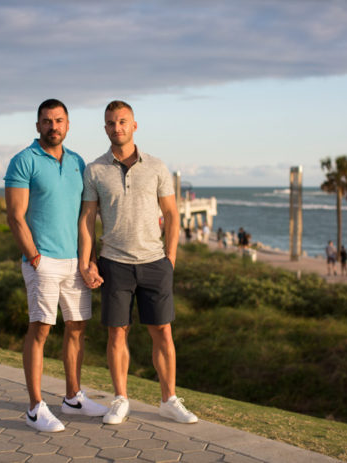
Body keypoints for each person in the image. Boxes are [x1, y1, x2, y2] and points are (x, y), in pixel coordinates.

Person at [78, 100, 198, 426]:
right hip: (113, 262)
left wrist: (170, 259)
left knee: (163, 332)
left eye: (122, 122)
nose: (117, 128)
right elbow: (88, 219)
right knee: (117, 334)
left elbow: (172, 214)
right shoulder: (94, 170)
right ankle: (120, 399)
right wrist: (87, 262)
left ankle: (169, 399)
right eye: (111, 123)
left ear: (134, 125)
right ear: (105, 128)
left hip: (155, 263)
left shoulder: (157, 167)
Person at [4, 99, 108, 433]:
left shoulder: (78, 162)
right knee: (41, 329)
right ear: (38, 126)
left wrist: (88, 260)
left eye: (59, 120)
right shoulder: (23, 161)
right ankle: (35, 408)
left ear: (68, 124)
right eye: (46, 121)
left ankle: (73, 397)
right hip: (42, 261)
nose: (53, 126)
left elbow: (85, 217)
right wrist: (34, 257)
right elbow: (15, 216)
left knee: (77, 327)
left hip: (74, 263)